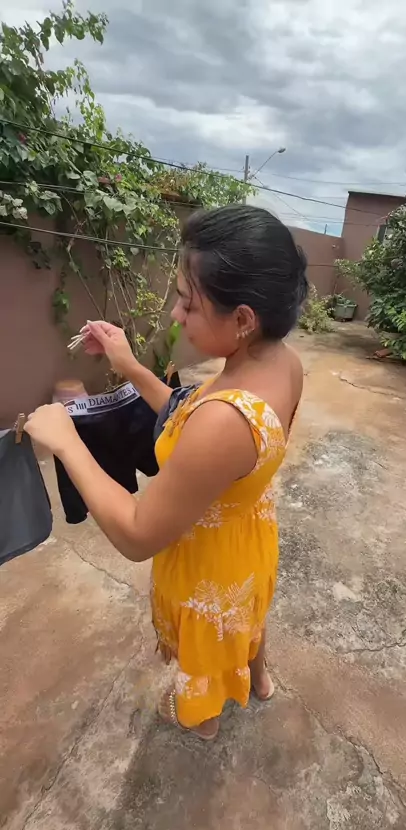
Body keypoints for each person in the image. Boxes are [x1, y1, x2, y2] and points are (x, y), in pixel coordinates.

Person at [25, 204, 306, 741]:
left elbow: (137, 534)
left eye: (188, 302)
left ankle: (203, 720)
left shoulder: (225, 423)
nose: (176, 314)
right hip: (248, 533)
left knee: (208, 641)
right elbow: (188, 415)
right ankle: (260, 678)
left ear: (243, 319)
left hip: (208, 564)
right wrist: (130, 365)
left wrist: (66, 441)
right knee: (248, 614)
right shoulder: (278, 363)